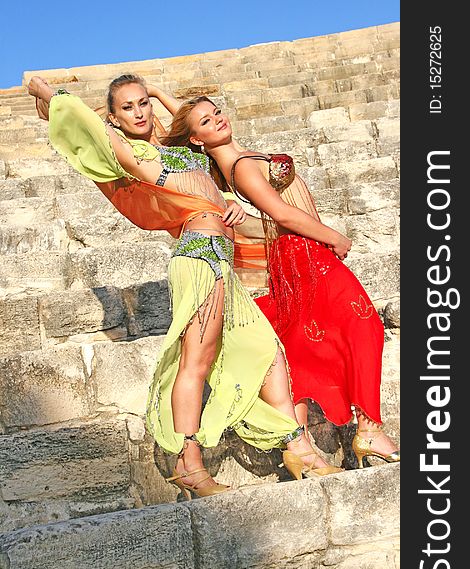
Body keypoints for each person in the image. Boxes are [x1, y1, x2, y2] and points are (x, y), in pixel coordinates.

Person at [28, 74, 343, 500]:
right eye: (128, 107)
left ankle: (299, 450)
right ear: (114, 117)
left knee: (266, 352)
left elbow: (196, 126)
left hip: (220, 259)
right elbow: (88, 126)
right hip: (198, 259)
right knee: (196, 360)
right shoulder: (131, 155)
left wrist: (159, 93)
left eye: (143, 103)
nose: (139, 112)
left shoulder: (174, 151)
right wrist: (50, 94)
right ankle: (189, 465)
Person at [158, 94, 400, 468]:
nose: (217, 120)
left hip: (303, 251)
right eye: (206, 123)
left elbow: (191, 118)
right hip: (303, 251)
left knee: (304, 344)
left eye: (217, 112)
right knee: (364, 324)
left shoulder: (236, 154)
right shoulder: (237, 167)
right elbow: (281, 212)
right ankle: (366, 429)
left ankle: (301, 443)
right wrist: (332, 236)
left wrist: (160, 94)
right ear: (196, 140)